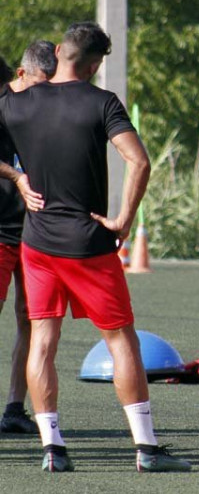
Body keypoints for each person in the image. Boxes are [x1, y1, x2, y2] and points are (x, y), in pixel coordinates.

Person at [0, 22, 191, 473]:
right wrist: (124, 219)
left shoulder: (17, 103)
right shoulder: (101, 102)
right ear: (92, 64)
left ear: (59, 52)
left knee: (42, 340)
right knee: (121, 340)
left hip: (38, 243)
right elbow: (139, 160)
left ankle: (53, 447)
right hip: (88, 244)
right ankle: (145, 448)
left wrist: (18, 177)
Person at [0, 40, 57, 435]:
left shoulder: (51, 109)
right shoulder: (1, 103)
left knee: (30, 319)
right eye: (39, 84)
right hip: (1, 229)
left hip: (37, 233)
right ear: (21, 75)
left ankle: (14, 408)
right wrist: (17, 177)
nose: (44, 94)